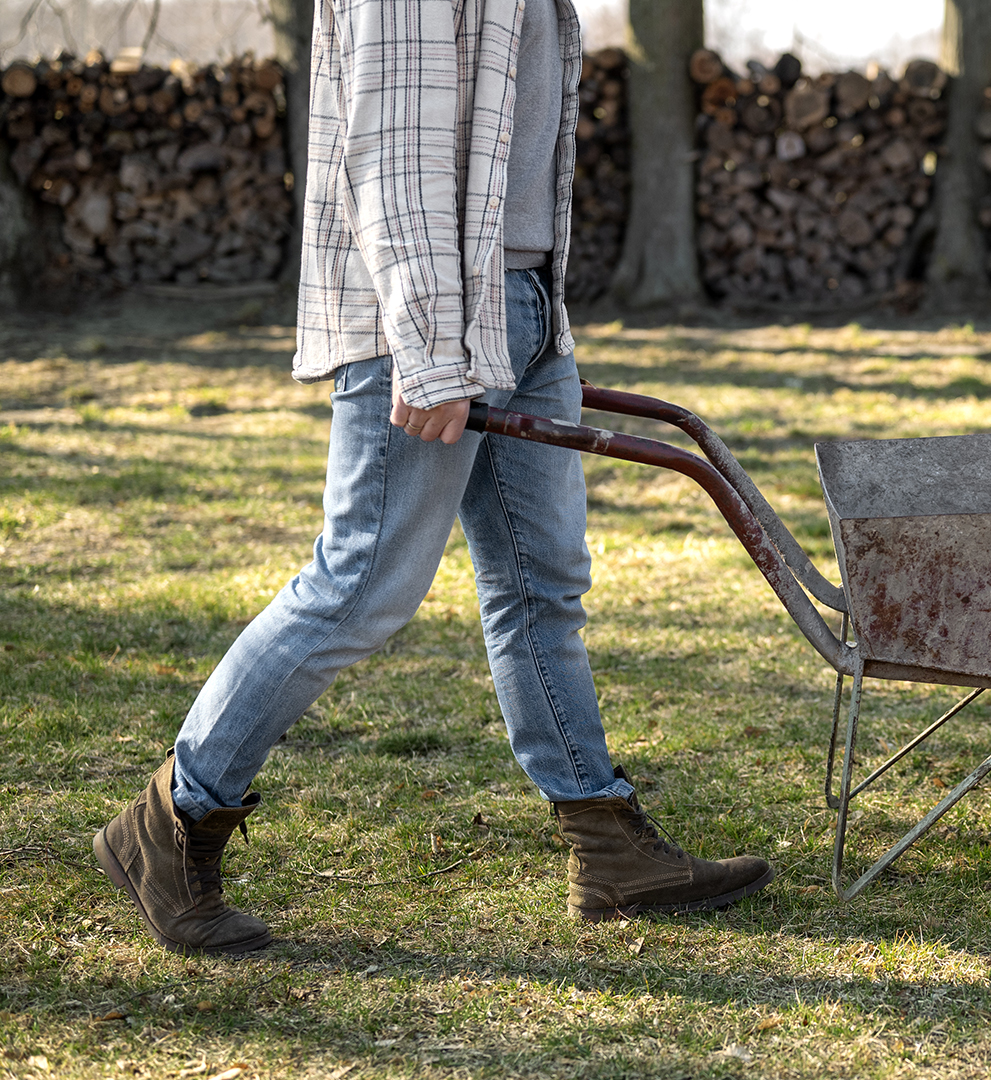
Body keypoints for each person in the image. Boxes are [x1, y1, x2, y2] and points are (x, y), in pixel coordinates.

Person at [92, 0, 771, 956]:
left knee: (543, 588)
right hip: (437, 312)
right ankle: (169, 824)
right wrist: (428, 350)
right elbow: (396, 153)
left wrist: (531, 315)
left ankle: (606, 843)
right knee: (358, 587)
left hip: (525, 299)